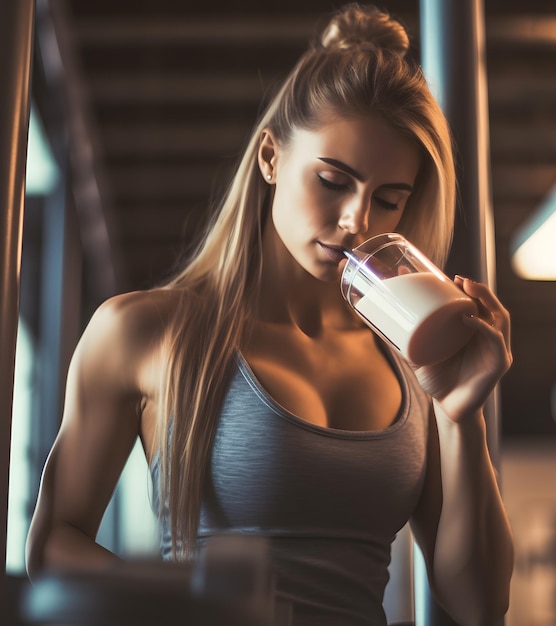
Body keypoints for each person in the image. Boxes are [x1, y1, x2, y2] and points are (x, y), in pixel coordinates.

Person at [26, 3, 514, 625]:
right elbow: (51, 544)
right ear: (270, 158)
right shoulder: (143, 332)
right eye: (334, 181)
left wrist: (459, 417)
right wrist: (198, 600)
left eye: (388, 200)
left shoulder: (414, 361)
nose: (357, 221)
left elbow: (480, 606)